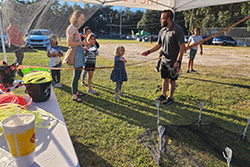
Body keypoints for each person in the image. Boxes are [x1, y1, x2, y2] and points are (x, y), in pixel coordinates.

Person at [141, 10, 185, 105]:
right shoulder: (162, 31)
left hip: (174, 61)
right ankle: (163, 95)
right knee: (164, 78)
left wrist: (178, 61)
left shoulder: (177, 30)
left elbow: (182, 47)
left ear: (168, 19)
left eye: (162, 18)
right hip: (164, 60)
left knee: (172, 80)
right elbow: (158, 45)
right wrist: (148, 52)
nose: (160, 20)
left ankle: (170, 97)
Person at [66, 10, 88, 103]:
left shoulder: (75, 28)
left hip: (79, 52)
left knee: (78, 74)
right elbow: (69, 43)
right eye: (81, 19)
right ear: (76, 18)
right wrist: (82, 42)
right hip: (76, 53)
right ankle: (74, 96)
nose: (82, 21)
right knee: (76, 75)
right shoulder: (71, 28)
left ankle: (76, 91)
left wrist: (82, 46)